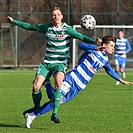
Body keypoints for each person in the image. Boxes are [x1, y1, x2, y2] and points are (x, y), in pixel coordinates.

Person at [7, 6, 101, 123]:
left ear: (62, 16)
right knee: (36, 86)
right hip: (47, 63)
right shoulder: (47, 28)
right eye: (54, 15)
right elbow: (30, 27)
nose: (56, 16)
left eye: (58, 14)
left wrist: (94, 42)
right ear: (52, 17)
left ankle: (54, 113)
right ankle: (36, 106)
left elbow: (81, 37)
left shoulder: (67, 29)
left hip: (60, 63)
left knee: (58, 83)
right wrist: (14, 22)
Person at [23, 35, 133, 128]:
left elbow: (109, 70)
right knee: (55, 99)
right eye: (112, 46)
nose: (113, 49)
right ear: (105, 45)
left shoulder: (105, 60)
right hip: (72, 78)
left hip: (80, 86)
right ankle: (43, 90)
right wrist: (94, 48)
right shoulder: (94, 50)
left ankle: (32, 114)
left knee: (58, 102)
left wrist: (120, 80)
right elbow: (81, 45)